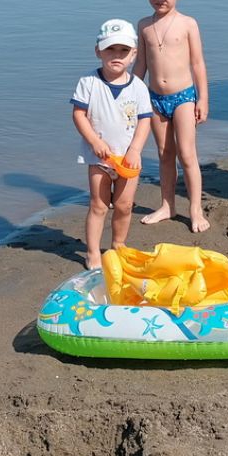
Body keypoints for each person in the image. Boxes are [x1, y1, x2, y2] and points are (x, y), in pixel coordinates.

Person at [71, 18, 155, 269]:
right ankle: (93, 252)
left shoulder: (138, 87)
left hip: (129, 159)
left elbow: (144, 122)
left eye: (123, 50)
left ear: (134, 54)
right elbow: (78, 115)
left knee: (124, 204)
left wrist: (136, 149)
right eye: (110, 49)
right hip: (99, 158)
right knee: (98, 205)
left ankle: (118, 244)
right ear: (98, 50)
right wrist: (94, 141)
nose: (116, 55)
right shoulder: (89, 82)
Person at [135, 0, 210, 233]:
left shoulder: (188, 24)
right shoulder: (144, 25)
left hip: (183, 97)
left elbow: (198, 64)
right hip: (154, 98)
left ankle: (195, 209)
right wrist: (129, 94)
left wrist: (203, 98)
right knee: (165, 154)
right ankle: (167, 205)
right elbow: (140, 65)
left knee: (187, 154)